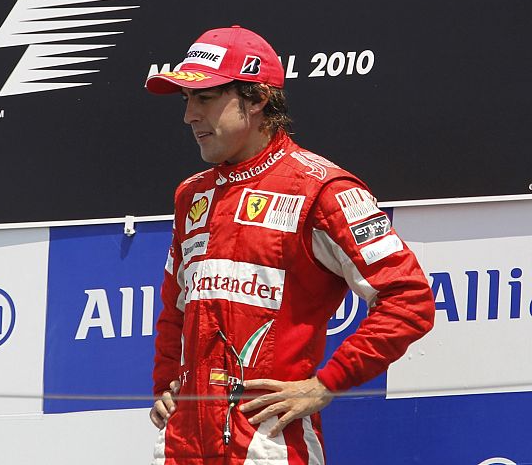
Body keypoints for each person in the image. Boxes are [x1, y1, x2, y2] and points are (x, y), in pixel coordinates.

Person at [144, 26, 435, 465]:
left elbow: (409, 299)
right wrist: (165, 382)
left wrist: (326, 383)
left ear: (257, 99)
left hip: (269, 445)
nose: (189, 115)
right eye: (186, 99)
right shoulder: (192, 194)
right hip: (183, 444)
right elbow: (176, 307)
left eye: (204, 98)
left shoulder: (323, 190)